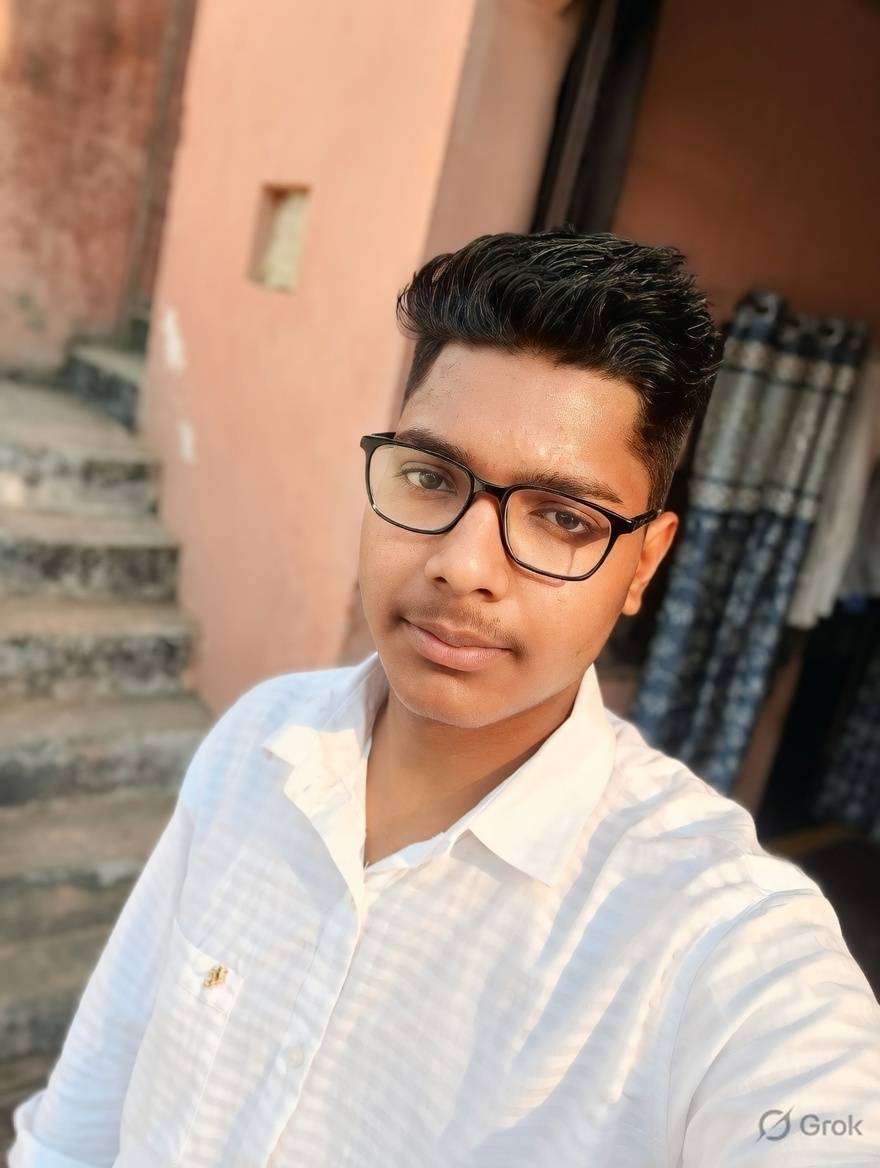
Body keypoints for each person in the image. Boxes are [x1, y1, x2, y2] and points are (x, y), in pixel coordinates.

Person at [9, 227, 880, 1167]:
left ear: (644, 563)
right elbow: (81, 1119)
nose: (463, 566)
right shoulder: (262, 739)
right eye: (429, 477)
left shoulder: (717, 942)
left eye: (562, 517)